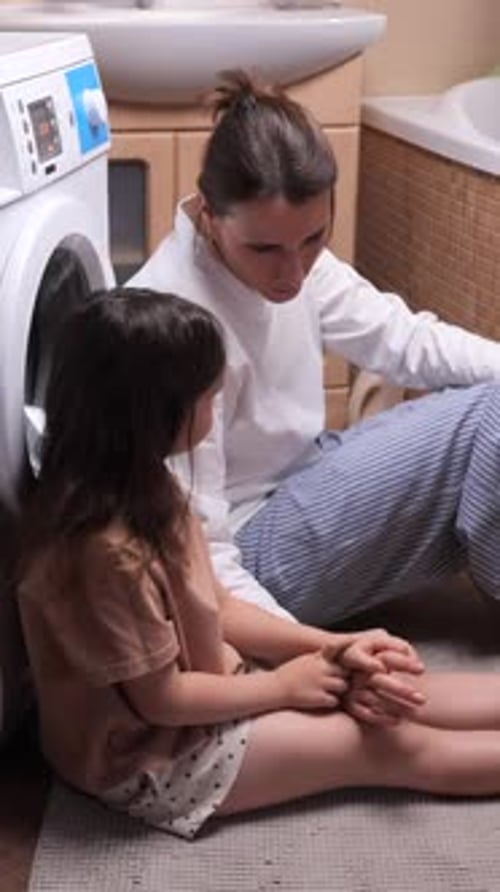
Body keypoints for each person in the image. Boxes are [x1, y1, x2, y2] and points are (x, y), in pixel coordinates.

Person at [17, 288, 500, 840]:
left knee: (388, 686)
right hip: (150, 754)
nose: (215, 407)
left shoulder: (151, 482)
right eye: (206, 399)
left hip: (209, 685)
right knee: (386, 742)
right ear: (154, 412)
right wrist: (286, 688)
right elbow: (163, 700)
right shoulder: (103, 551)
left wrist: (329, 647)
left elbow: (217, 605)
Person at [130, 69, 500, 628]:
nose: (294, 271)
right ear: (207, 213)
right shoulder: (173, 323)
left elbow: (407, 341)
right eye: (266, 249)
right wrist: (302, 653)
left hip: (302, 474)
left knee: (486, 390)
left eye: (313, 240)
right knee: (491, 418)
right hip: (248, 549)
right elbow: (197, 549)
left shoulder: (288, 253)